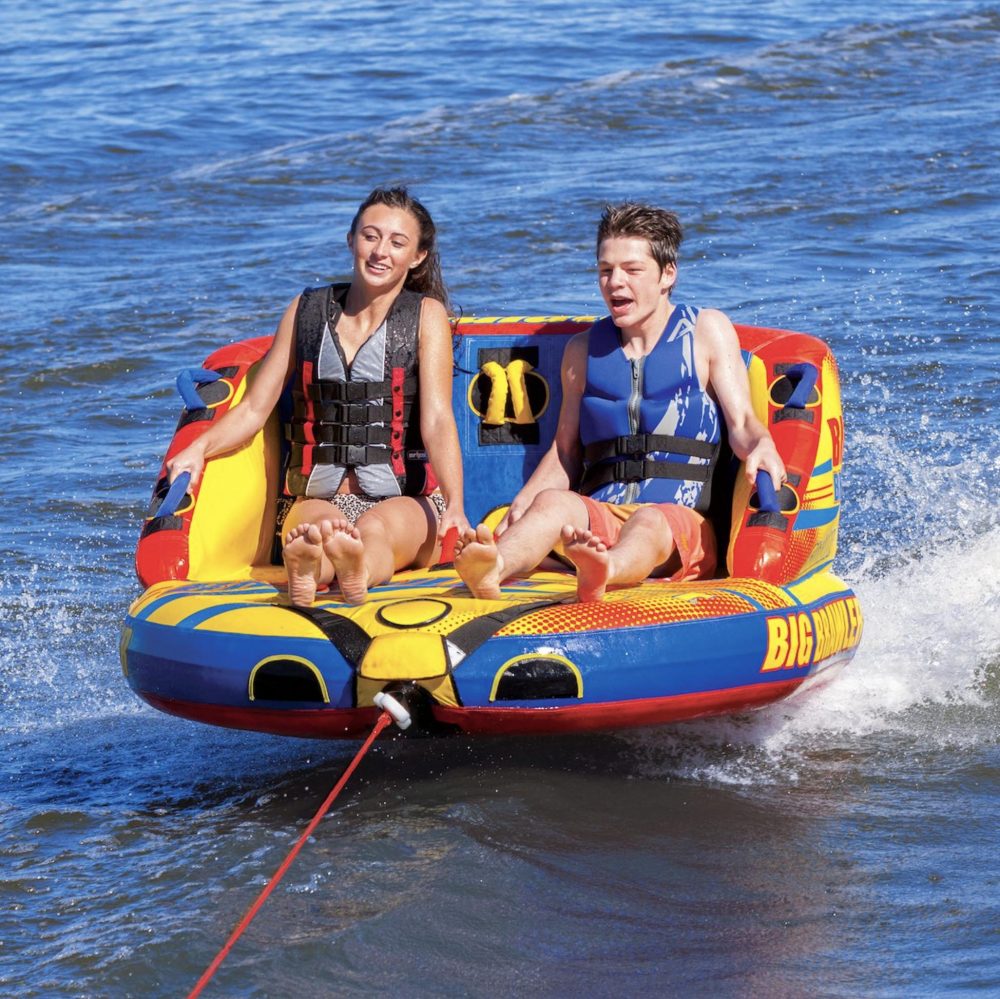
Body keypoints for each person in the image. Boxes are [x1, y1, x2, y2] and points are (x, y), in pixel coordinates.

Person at [455, 201, 786, 602]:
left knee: (648, 520)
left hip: (681, 526)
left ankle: (606, 570)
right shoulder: (582, 351)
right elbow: (565, 451)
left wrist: (763, 444)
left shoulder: (704, 331)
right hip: (601, 518)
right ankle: (493, 568)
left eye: (632, 270)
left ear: (667, 274)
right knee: (552, 504)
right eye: (605, 270)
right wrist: (528, 500)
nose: (615, 282)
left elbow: (743, 425)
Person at [168, 186, 468, 605]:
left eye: (397, 242)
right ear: (351, 240)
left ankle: (354, 568)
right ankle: (314, 567)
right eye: (370, 236)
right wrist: (198, 449)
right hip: (318, 496)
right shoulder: (306, 311)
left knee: (375, 532)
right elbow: (255, 407)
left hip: (405, 501)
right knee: (316, 529)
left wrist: (455, 504)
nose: (381, 251)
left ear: (417, 256)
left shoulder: (426, 316)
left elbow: (436, 419)